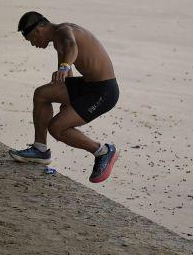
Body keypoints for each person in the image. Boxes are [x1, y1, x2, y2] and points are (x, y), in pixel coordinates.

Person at [11, 11, 119, 183]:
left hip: (104, 92)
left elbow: (71, 46)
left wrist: (63, 67)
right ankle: (40, 149)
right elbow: (66, 78)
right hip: (87, 85)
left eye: (31, 39)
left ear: (39, 30)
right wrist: (67, 96)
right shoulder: (57, 40)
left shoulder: (63, 31)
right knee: (42, 94)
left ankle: (103, 152)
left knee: (57, 128)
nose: (32, 44)